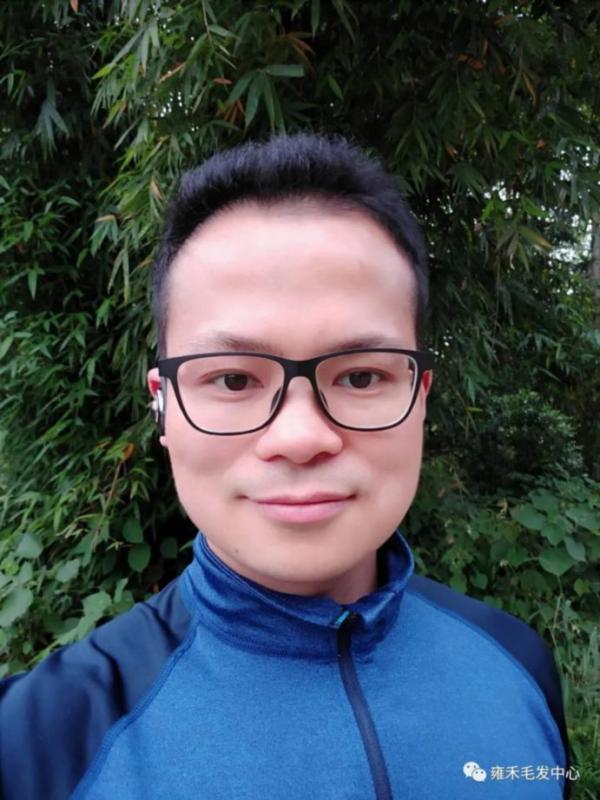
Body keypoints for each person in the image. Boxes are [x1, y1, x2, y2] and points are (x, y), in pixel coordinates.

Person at [1, 133, 570, 799]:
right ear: (165, 407)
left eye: (361, 376)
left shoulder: (518, 666)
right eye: (233, 380)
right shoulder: (38, 742)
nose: (300, 437)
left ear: (420, 398)